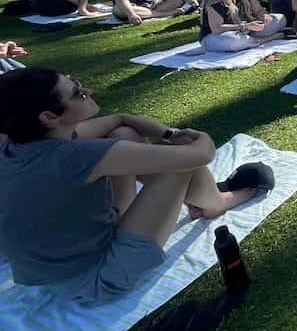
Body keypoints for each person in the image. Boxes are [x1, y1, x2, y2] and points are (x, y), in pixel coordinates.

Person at [0, 67, 270, 303]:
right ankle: (216, 203)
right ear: (48, 117)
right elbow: (201, 154)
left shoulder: (18, 147)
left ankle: (198, 197)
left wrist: (166, 132)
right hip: (101, 278)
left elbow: (119, 120)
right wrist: (190, 136)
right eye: (77, 93)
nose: (88, 90)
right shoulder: (73, 156)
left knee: (124, 135)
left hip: (64, 270)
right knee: (180, 158)